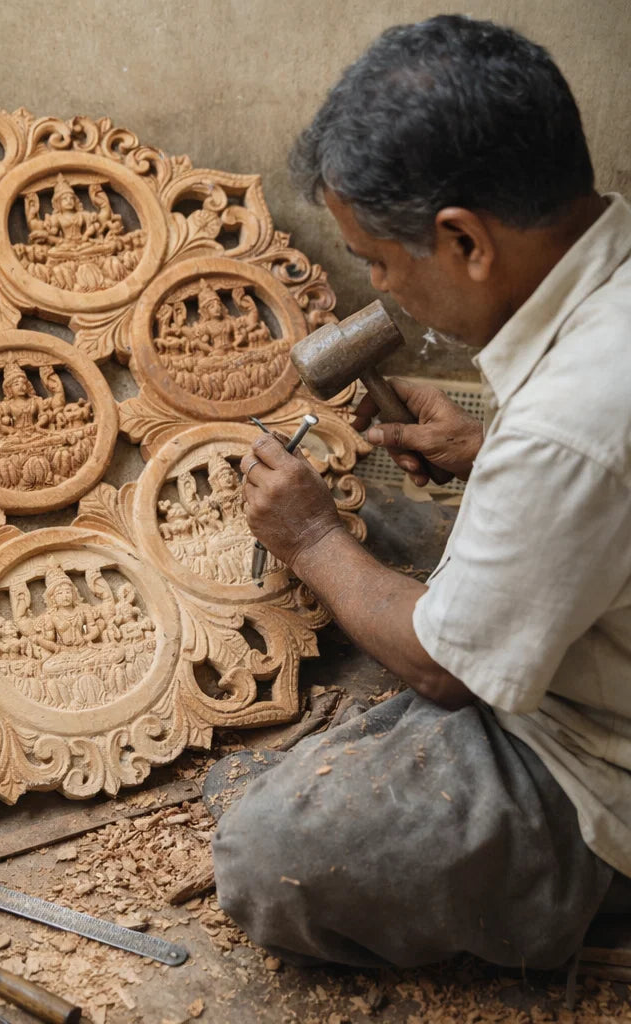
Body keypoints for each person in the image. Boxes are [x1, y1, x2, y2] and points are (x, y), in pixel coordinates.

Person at [210, 14, 631, 969]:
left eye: (377, 259)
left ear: (465, 241)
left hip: (605, 764)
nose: (378, 286)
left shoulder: (573, 418)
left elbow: (451, 669)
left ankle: (593, 893)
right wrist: (490, 453)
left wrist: (315, 538)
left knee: (267, 856)